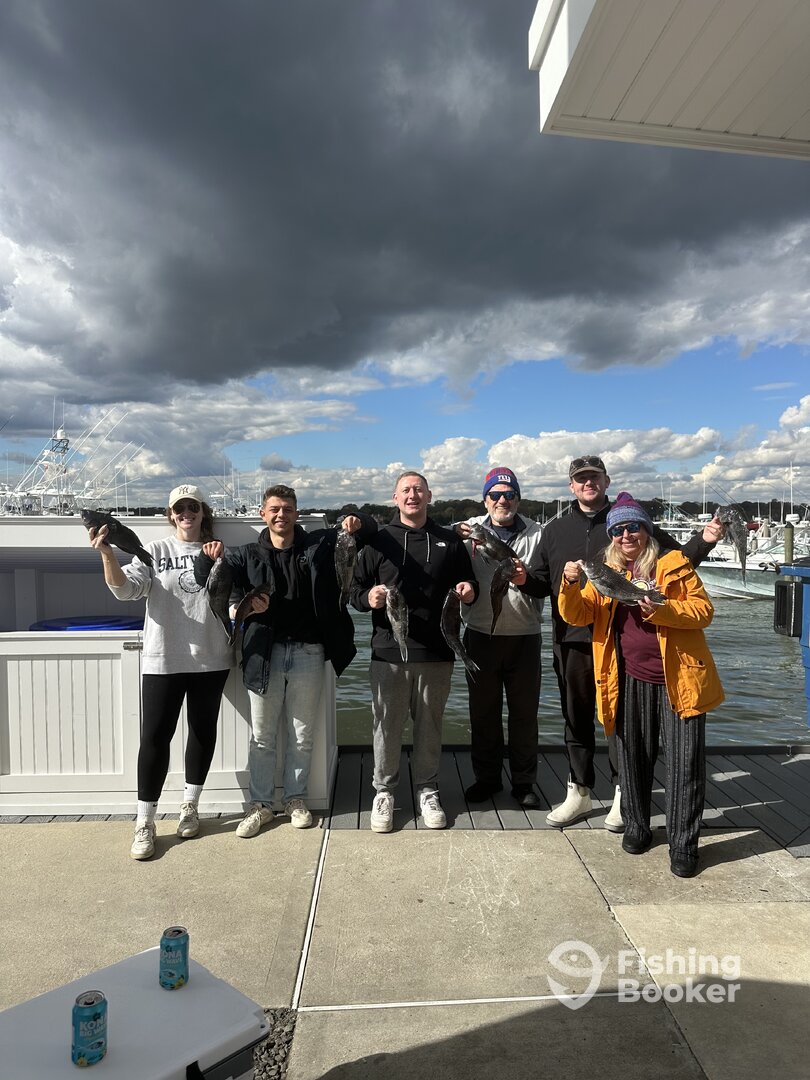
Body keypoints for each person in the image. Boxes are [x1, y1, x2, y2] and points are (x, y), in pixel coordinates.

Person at [534, 456, 723, 830]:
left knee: (622, 724)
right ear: (572, 486)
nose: (588, 483)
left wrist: (704, 541)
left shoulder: (633, 523)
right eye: (580, 478)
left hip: (621, 644)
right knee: (576, 718)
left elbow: (679, 562)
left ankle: (625, 795)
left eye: (594, 477)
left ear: (606, 481)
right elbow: (542, 583)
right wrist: (527, 579)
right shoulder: (554, 529)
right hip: (572, 638)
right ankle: (578, 790)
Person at [194, 485, 376, 837]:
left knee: (302, 735)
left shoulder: (320, 544)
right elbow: (207, 580)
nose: (281, 515)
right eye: (275, 509)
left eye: (288, 509)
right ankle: (260, 805)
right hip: (263, 654)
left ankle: (295, 799)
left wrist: (354, 519)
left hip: (310, 651)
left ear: (297, 513)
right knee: (263, 737)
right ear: (263, 514)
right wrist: (207, 558)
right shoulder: (244, 555)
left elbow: (368, 530)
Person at [88, 484, 234, 860]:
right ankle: (145, 821)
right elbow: (126, 590)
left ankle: (190, 806)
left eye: (192, 507)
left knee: (202, 732)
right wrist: (107, 554)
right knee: (154, 738)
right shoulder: (154, 550)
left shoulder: (220, 551)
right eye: (179, 508)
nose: (186, 513)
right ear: (171, 515)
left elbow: (232, 600)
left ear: (202, 512)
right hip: (162, 659)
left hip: (212, 658)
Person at [351, 471, 477, 832]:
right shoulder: (377, 542)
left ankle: (427, 789)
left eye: (418, 490)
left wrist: (469, 590)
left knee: (430, 725)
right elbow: (353, 592)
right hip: (388, 652)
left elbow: (470, 583)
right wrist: (368, 597)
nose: (412, 495)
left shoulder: (449, 541)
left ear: (429, 496)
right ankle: (384, 791)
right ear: (395, 498)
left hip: (437, 650)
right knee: (386, 726)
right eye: (405, 490)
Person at [455, 467, 545, 808]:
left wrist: (526, 580)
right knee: (483, 714)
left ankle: (524, 783)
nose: (502, 500)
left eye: (509, 495)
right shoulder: (470, 531)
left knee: (524, 715)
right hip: (480, 635)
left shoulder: (538, 533)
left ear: (518, 499)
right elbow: (437, 538)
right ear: (485, 500)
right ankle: (487, 779)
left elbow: (547, 584)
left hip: (525, 636)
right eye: (495, 495)